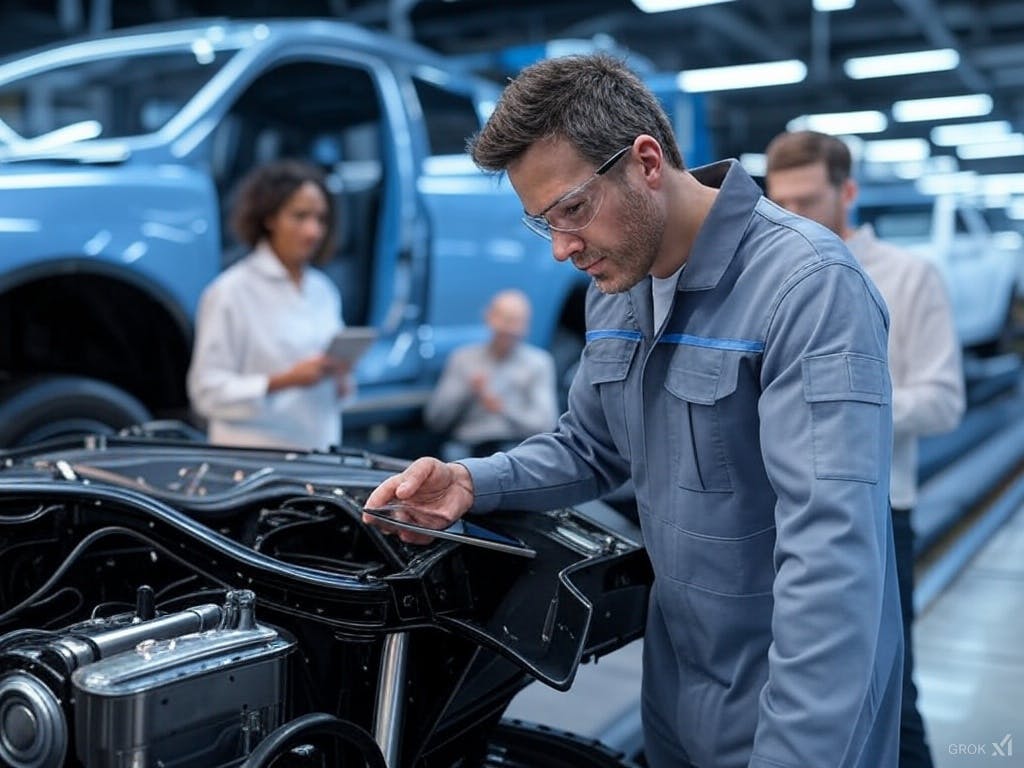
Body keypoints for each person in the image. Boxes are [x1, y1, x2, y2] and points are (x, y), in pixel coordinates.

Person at [364, 54, 903, 768]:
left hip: (798, 707)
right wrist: (473, 482)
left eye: (572, 210)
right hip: (677, 691)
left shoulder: (807, 287)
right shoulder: (618, 286)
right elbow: (591, 446)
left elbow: (833, 564)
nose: (560, 248)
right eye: (541, 224)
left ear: (646, 161)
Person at [765, 129, 965, 768]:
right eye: (780, 203)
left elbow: (943, 401)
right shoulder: (763, 281)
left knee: (886, 698)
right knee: (788, 698)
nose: (792, 218)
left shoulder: (909, 278)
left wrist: (842, 410)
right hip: (774, 520)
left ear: (847, 193)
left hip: (875, 519)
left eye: (808, 201)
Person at [187, 159, 354, 451]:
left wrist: (340, 378)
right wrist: (283, 380)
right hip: (254, 462)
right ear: (269, 218)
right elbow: (206, 392)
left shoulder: (323, 290)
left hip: (320, 455)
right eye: (300, 216)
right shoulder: (231, 291)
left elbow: (335, 393)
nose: (313, 231)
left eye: (321, 219)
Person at [424, 289, 558, 459]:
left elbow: (546, 424)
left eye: (517, 321)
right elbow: (435, 419)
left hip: (516, 447)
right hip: (467, 445)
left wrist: (503, 408)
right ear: (489, 316)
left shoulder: (539, 363)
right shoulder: (463, 359)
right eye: (506, 319)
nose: (510, 328)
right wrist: (469, 390)